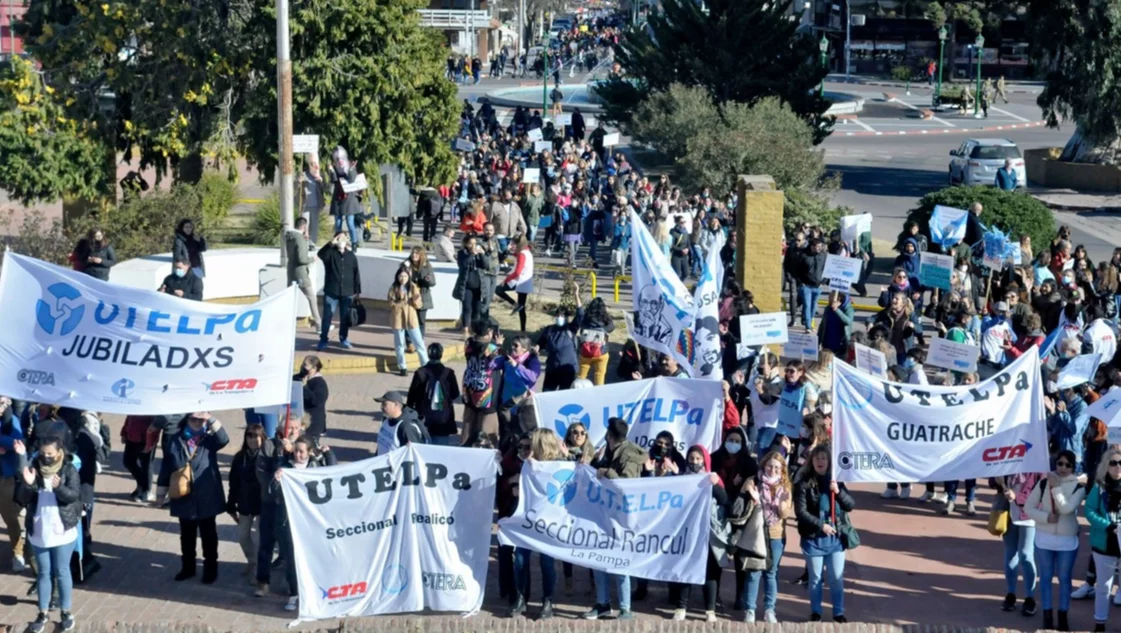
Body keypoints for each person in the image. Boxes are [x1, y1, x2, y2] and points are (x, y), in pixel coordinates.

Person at [14, 436, 80, 633]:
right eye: (43, 454)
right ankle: (42, 612)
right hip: (40, 527)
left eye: (50, 454)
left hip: (62, 528)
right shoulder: (33, 467)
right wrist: (28, 483)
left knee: (61, 571)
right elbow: (21, 499)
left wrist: (59, 487)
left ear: (59, 453)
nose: (46, 457)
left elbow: (73, 496)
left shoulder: (69, 469)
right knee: (43, 572)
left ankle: (66, 611)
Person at [154, 412, 229, 584]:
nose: (197, 422)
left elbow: (224, 439)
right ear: (186, 419)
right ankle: (188, 568)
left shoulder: (209, 439)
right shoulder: (175, 439)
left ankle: (210, 570)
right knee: (187, 535)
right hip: (183, 493)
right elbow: (167, 466)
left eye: (200, 420)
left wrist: (210, 418)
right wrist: (161, 493)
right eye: (193, 419)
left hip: (206, 493)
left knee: (208, 535)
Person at [584, 417, 644, 621]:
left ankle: (625, 609)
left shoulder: (629, 455)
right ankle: (603, 604)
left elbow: (627, 485)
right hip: (604, 514)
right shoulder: (610, 451)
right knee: (598, 560)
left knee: (620, 563)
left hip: (622, 517)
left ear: (610, 435)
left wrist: (606, 471)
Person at [270, 435, 336, 611]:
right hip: (289, 522)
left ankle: (318, 592)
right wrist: (277, 479)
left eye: (301, 451)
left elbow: (333, 472)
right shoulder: (285, 466)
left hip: (312, 521)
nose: (297, 454)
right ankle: (294, 593)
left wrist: (329, 454)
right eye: (296, 450)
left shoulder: (316, 465)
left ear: (309, 452)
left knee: (317, 557)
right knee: (292, 560)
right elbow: (274, 493)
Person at [507, 428, 566, 620]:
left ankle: (547, 600)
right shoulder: (528, 464)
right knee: (521, 560)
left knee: (547, 563)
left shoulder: (559, 465)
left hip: (549, 522)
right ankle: (521, 597)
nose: (529, 446)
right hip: (527, 520)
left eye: (534, 442)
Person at [1025, 449, 1086, 631]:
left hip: (1067, 540)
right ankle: (1047, 615)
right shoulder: (1044, 483)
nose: (1063, 468)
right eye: (1060, 463)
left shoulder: (1078, 487)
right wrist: (1045, 517)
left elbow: (1066, 508)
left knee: (1065, 578)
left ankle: (1063, 615)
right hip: (1044, 537)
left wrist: (1057, 487)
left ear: (1073, 467)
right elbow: (1029, 507)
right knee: (1045, 577)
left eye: (1067, 465)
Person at [794, 445, 856, 623]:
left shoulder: (836, 481)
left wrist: (839, 492)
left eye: (824, 458)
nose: (820, 461)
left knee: (836, 578)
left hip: (835, 540)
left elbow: (850, 505)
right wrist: (821, 525)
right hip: (814, 539)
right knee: (815, 579)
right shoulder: (804, 483)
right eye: (817, 458)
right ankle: (816, 612)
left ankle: (838, 612)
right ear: (811, 461)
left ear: (829, 462)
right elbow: (801, 512)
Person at [738, 449, 793, 624]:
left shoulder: (785, 487)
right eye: (770, 466)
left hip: (776, 535)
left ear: (782, 470)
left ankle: (770, 609)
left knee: (771, 573)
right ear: (764, 465)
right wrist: (753, 497)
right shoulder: (753, 482)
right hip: (756, 534)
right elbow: (741, 506)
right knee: (754, 572)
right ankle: (750, 609)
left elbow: (784, 514)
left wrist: (783, 502)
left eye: (777, 467)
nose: (773, 470)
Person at [994, 471, 1040, 616]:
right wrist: (996, 479)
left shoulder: (1038, 465)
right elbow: (993, 479)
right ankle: (1011, 594)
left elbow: (1040, 491)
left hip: (1029, 516)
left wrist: (1018, 497)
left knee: (1026, 555)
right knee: (1010, 554)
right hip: (1008, 513)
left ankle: (1029, 597)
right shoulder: (1008, 462)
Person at [1086, 447, 1121, 632]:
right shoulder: (1099, 487)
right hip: (1104, 543)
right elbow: (1089, 511)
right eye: (1113, 463)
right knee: (1104, 587)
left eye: (1120, 463)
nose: (1118, 467)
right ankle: (1100, 623)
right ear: (1107, 466)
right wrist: (1108, 526)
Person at [226, 424, 267, 582]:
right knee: (243, 536)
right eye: (249, 436)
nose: (253, 440)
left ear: (262, 438)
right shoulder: (240, 457)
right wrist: (230, 505)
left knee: (259, 538)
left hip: (262, 503)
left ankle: (259, 569)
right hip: (245, 503)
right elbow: (233, 482)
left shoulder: (267, 456)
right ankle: (252, 561)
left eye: (256, 436)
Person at [407, 343, 461, 445]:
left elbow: (411, 398)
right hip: (443, 421)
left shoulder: (420, 373)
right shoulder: (449, 373)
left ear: (428, 354)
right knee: (441, 454)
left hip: (423, 421)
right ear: (441, 354)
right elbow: (455, 394)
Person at [317, 232, 361, 350]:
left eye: (344, 237)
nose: (342, 240)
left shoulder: (351, 256)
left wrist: (357, 292)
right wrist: (332, 242)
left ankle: (343, 338)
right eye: (339, 237)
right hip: (331, 292)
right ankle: (323, 339)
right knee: (327, 317)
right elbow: (320, 254)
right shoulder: (330, 254)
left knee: (345, 318)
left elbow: (356, 274)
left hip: (347, 293)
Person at [0, 396, 28, 572]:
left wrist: (5, 443)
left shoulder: (12, 420)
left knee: (10, 518)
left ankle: (17, 553)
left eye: (3, 403)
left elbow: (17, 443)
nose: (0, 407)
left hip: (5, 477)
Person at [388, 267, 430, 376]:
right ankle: (402, 367)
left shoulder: (413, 287)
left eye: (405, 276)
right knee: (399, 344)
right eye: (401, 276)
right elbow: (391, 304)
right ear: (397, 276)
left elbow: (419, 304)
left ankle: (425, 365)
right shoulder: (394, 288)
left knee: (419, 343)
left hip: (411, 318)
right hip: (398, 319)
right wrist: (403, 302)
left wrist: (415, 301)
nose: (403, 279)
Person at [285, 217, 322, 331]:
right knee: (311, 297)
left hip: (291, 271)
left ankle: (287, 322)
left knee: (290, 297)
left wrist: (305, 240)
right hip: (301, 272)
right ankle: (319, 324)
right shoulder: (299, 239)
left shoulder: (289, 236)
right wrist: (313, 259)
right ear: (304, 227)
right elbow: (302, 258)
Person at [453, 234, 492, 338]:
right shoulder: (462, 253)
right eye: (470, 243)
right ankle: (465, 330)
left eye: (474, 243)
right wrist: (471, 255)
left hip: (478, 286)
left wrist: (483, 254)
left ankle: (474, 329)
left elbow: (486, 266)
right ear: (466, 244)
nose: (473, 245)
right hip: (466, 286)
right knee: (467, 308)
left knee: (477, 309)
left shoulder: (479, 253)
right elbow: (463, 264)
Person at [496, 236, 535, 331]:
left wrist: (506, 280)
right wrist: (511, 253)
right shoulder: (527, 252)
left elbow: (517, 272)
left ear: (518, 244)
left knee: (497, 289)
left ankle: (514, 304)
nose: (512, 246)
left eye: (513, 244)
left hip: (519, 281)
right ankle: (523, 329)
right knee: (522, 308)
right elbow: (517, 256)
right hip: (526, 283)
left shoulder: (522, 254)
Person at [374, 391, 429, 455]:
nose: (381, 407)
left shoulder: (406, 427)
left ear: (396, 404)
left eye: (385, 404)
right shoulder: (386, 420)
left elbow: (414, 454)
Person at [576, 296, 615, 385]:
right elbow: (611, 328)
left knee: (581, 376)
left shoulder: (585, 318)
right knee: (599, 375)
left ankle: (578, 393)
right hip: (601, 352)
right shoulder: (605, 319)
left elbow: (580, 315)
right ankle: (598, 395)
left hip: (585, 352)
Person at [329, 147, 362, 246]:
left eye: (341, 158)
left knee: (350, 222)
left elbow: (352, 180)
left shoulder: (350, 167)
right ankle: (337, 242)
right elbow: (334, 181)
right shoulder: (335, 168)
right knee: (338, 223)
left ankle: (354, 242)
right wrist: (331, 171)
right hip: (338, 199)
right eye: (337, 159)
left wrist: (351, 169)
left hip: (349, 200)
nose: (340, 161)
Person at [120, 414, 156, 503]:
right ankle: (141, 484)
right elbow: (129, 417)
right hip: (131, 437)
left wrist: (150, 442)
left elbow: (156, 424)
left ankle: (147, 491)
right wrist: (124, 433)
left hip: (146, 438)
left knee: (146, 464)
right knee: (128, 461)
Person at [403, 246, 436, 336]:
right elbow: (400, 279)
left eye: (417, 253)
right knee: (409, 320)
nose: (414, 255)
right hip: (409, 297)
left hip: (422, 297)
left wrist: (423, 271)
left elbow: (432, 282)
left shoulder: (427, 267)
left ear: (421, 255)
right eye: (413, 253)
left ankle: (419, 342)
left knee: (420, 321)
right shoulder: (406, 265)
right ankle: (409, 342)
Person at [295, 356, 329, 439]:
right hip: (298, 420)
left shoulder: (320, 383)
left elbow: (316, 401)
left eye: (306, 365)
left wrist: (304, 387)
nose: (303, 367)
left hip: (312, 424)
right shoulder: (298, 378)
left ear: (314, 368)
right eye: (302, 364)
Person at [301, 154, 325, 241]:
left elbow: (325, 189)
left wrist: (321, 181)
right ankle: (304, 241)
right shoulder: (304, 174)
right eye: (311, 163)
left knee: (314, 225)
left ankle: (312, 243)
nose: (314, 165)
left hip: (315, 205)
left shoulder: (319, 175)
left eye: (315, 163)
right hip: (305, 205)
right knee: (304, 224)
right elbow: (296, 187)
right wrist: (299, 181)